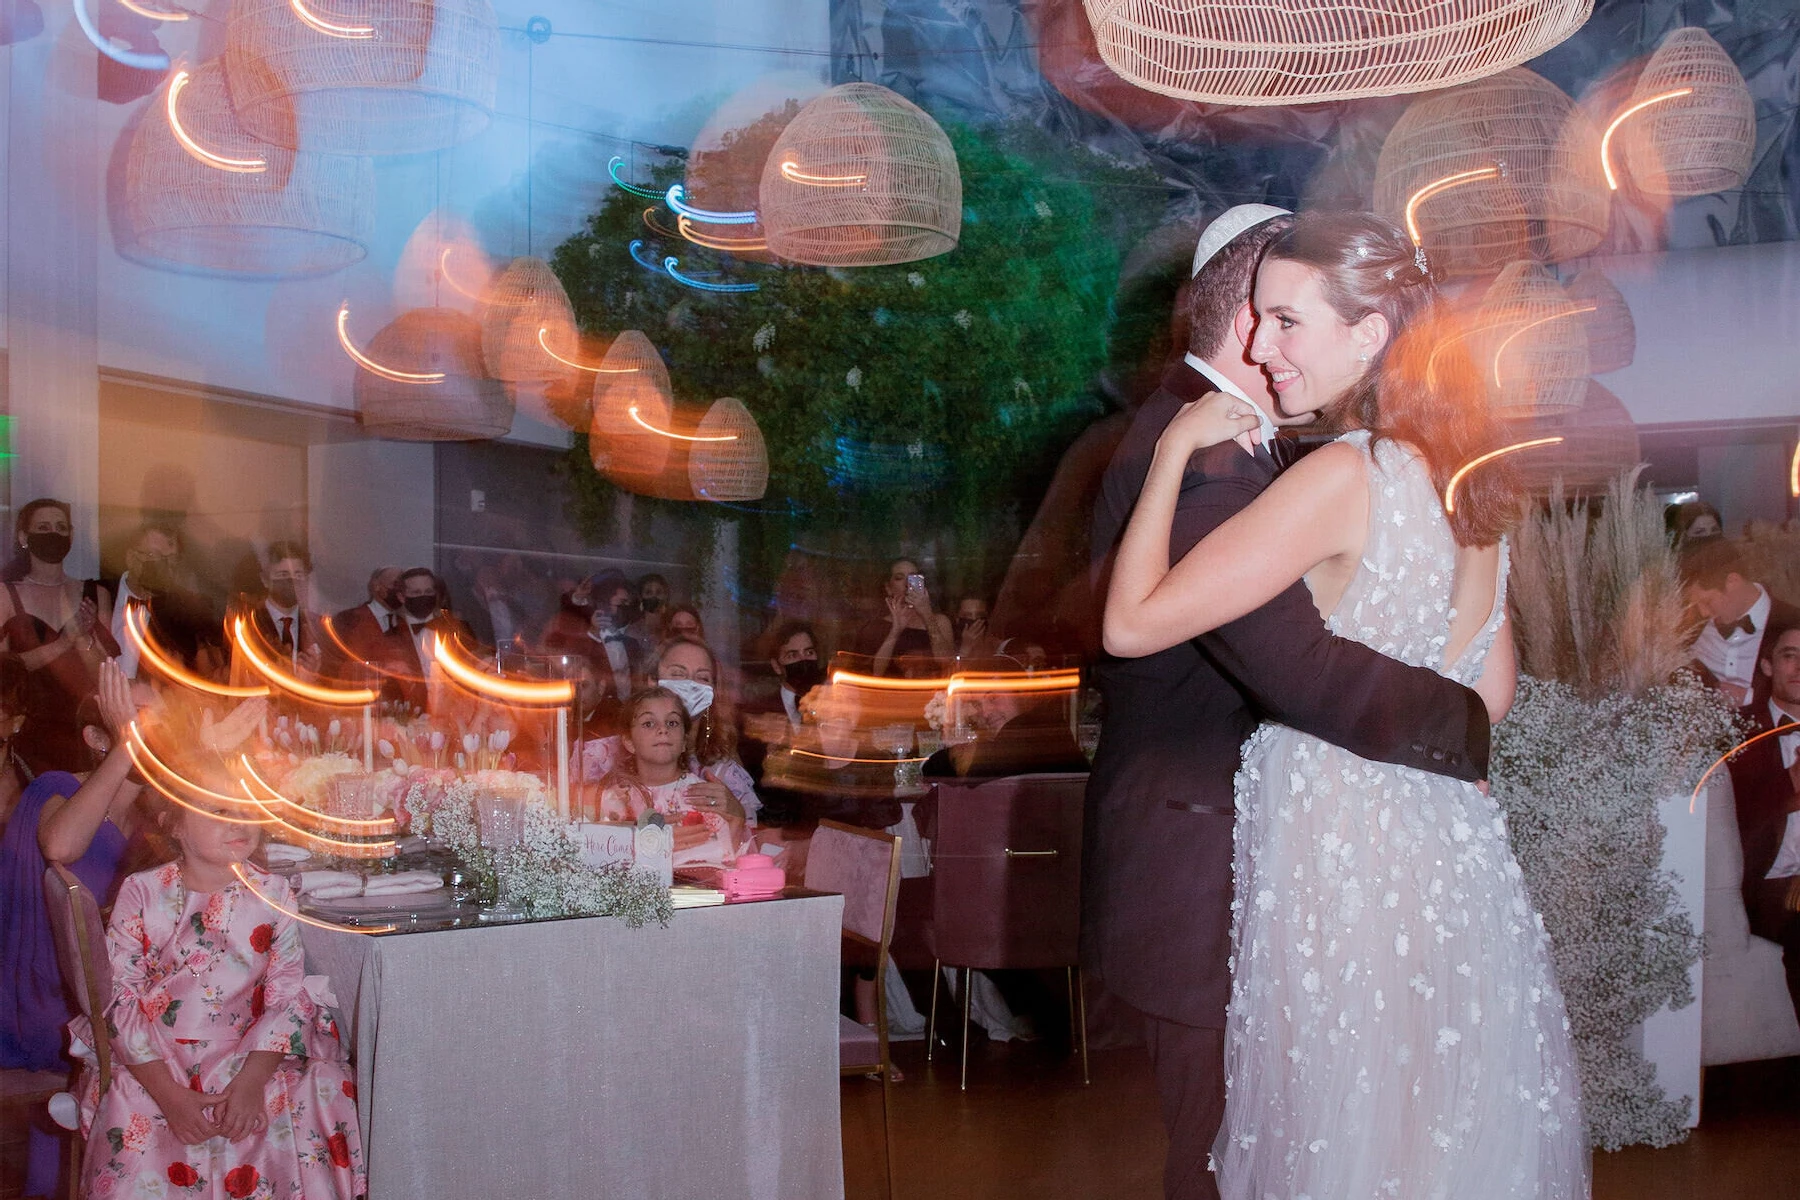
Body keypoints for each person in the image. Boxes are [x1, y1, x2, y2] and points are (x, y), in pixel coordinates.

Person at [1103, 211, 1585, 1199]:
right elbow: (1486, 699)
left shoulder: (1342, 474)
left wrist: (1168, 455)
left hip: (1337, 842)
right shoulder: (1474, 492)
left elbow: (1132, 625)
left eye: (1287, 323)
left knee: (1336, 1130)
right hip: (1449, 851)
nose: (1265, 348)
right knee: (1435, 1127)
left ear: (1367, 336)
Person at [69, 800, 365, 1198]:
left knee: (322, 1084)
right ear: (174, 824)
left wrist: (250, 1082)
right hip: (158, 1054)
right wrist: (170, 1096)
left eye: (247, 810)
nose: (240, 823)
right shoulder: (142, 891)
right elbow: (119, 995)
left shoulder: (274, 893)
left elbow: (288, 993)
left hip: (249, 1047)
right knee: (132, 1099)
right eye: (220, 813)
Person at [0, 664, 147, 1196]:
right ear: (97, 737)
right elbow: (62, 847)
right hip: (52, 1008)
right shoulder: (53, 787)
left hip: (109, 994)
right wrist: (131, 746)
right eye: (132, 720)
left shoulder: (159, 811)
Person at [579, 637, 761, 825]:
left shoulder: (724, 773)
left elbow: (748, 845)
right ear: (653, 680)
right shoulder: (599, 758)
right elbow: (565, 822)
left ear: (713, 691)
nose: (690, 684)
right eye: (678, 674)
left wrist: (735, 815)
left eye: (702, 678)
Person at [0, 498, 120, 775]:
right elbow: (6, 670)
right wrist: (64, 642)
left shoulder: (94, 592)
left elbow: (106, 674)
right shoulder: (6, 594)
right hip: (28, 729)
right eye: (43, 527)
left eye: (60, 527)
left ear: (71, 535)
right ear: (24, 537)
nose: (53, 533)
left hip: (84, 727)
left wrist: (83, 640)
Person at [1725, 617, 1800, 1024]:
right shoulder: (1736, 732)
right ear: (1768, 666)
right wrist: (1789, 788)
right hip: (1768, 886)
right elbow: (1730, 821)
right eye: (1791, 656)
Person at [597, 686, 747, 868]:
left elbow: (722, 861)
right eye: (648, 723)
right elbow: (603, 862)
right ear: (629, 742)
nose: (662, 730)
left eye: (672, 723)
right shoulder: (615, 799)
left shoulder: (702, 796)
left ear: (684, 741)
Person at [1681, 538, 1800, 708]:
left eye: (1707, 602)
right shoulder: (1689, 625)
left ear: (1733, 581)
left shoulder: (1793, 622)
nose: (1704, 613)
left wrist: (1749, 697)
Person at [110, 523, 221, 681]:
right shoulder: (97, 594)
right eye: (156, 557)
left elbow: (204, 676)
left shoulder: (188, 611)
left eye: (171, 560)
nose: (166, 568)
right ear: (131, 558)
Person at [546, 571, 648, 735]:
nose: (625, 607)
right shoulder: (584, 642)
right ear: (605, 604)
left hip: (629, 717)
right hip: (600, 721)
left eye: (628, 603)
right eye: (621, 602)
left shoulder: (632, 645)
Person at [232, 540, 323, 677]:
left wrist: (315, 676)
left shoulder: (317, 626)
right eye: (283, 575)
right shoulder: (248, 626)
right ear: (265, 579)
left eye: (298, 574)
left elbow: (333, 681)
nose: (292, 582)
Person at [854, 558, 954, 677]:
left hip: (930, 692)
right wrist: (895, 631)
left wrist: (927, 616)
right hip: (889, 692)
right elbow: (875, 673)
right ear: (888, 588)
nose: (907, 584)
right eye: (899, 578)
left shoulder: (940, 621)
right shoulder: (875, 628)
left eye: (913, 578)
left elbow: (946, 663)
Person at [327, 565, 403, 668]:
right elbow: (335, 661)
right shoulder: (348, 619)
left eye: (403, 587)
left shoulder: (403, 624)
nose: (400, 590)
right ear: (376, 586)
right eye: (395, 584)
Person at [952, 595, 997, 660]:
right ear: (957, 619)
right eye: (967, 616)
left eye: (979, 615)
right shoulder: (950, 647)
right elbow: (953, 669)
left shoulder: (998, 646)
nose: (974, 619)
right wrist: (965, 648)